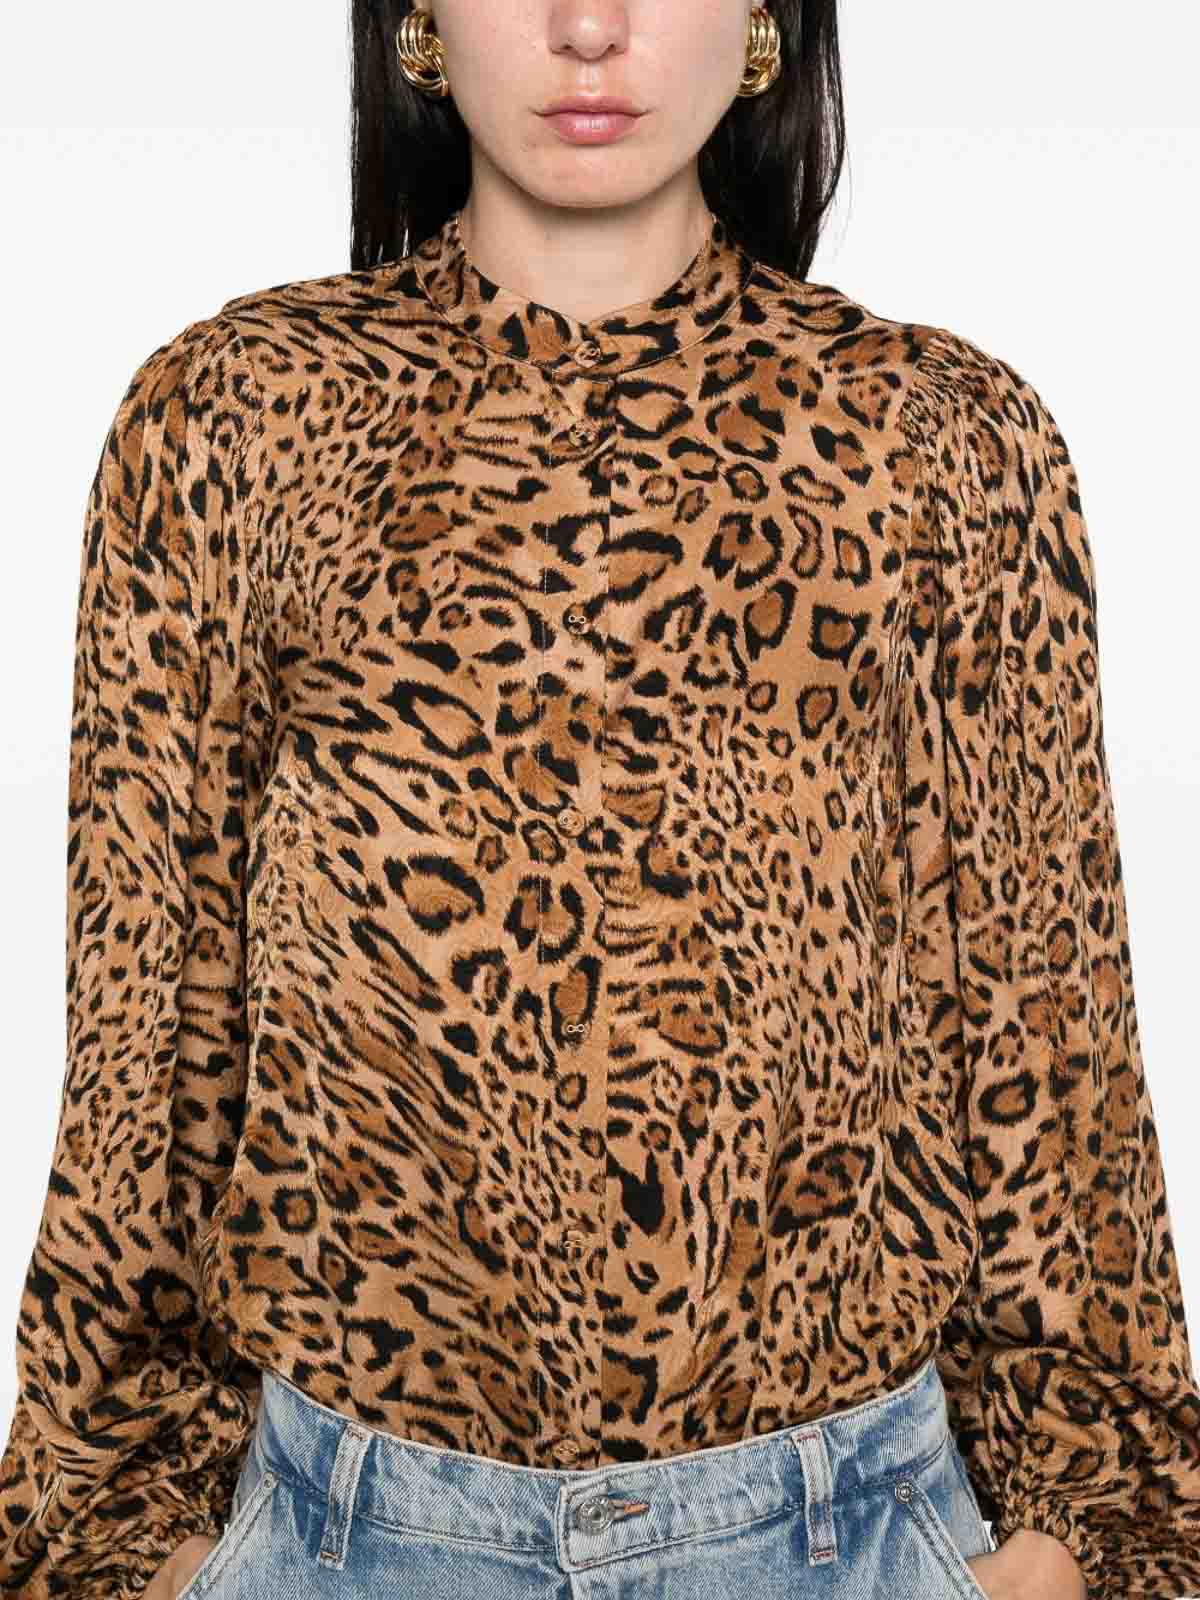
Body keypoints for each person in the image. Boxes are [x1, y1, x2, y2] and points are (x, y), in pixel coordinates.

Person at [2, 2, 1198, 1596]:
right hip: (343, 1536)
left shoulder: (941, 441)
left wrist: (1084, 1542)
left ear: (766, 22)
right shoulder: (233, 418)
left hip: (844, 1533)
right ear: (418, 20)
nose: (588, 28)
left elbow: (1052, 1034)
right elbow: (146, 1030)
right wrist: (115, 1546)